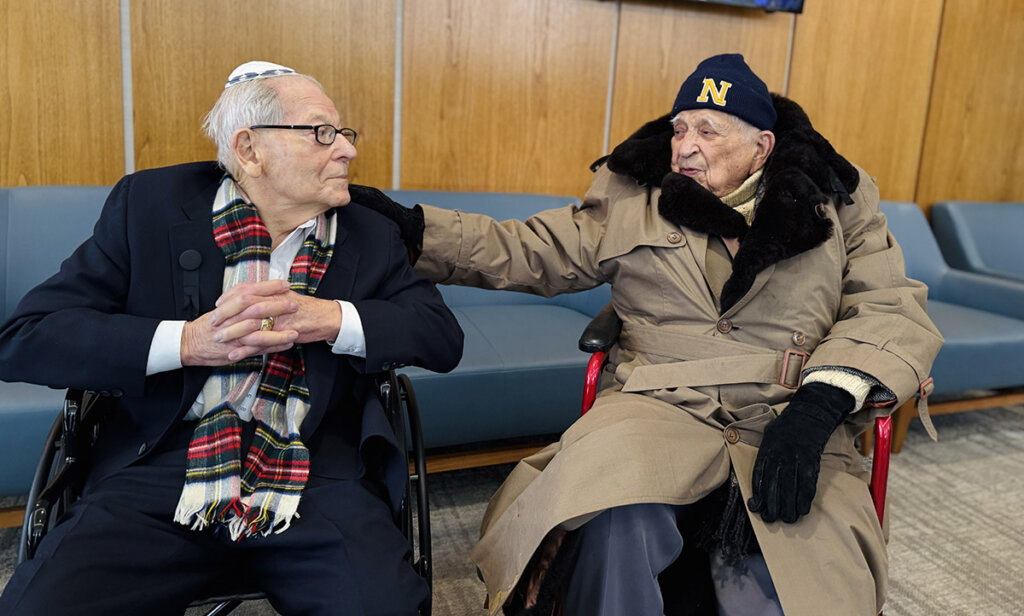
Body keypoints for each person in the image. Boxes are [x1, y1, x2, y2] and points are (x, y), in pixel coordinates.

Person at [351, 54, 943, 616]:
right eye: (681, 129)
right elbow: (531, 247)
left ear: (761, 146)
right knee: (608, 514)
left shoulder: (837, 201)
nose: (685, 146)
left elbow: (889, 303)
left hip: (787, 412)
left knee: (807, 581)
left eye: (708, 132)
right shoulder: (633, 196)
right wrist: (416, 229)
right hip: (656, 403)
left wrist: (822, 404)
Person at [0, 61, 463, 616]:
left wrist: (330, 318)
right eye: (321, 132)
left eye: (343, 133)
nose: (346, 150)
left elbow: (441, 337)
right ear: (248, 150)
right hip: (161, 465)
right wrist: (189, 342)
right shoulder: (148, 207)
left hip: (317, 467)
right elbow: (29, 336)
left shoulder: (370, 231)